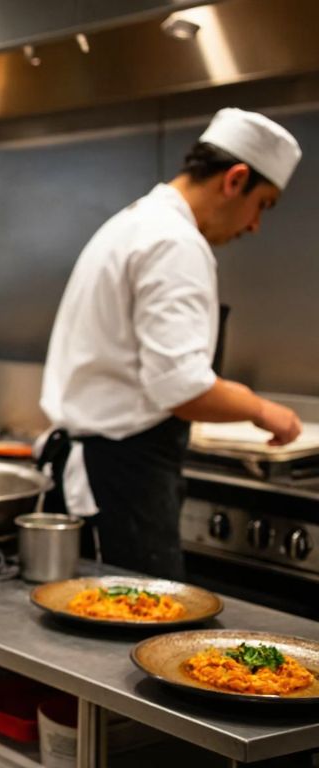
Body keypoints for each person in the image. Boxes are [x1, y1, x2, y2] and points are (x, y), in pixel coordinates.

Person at [40, 108, 303, 580]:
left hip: (101, 472)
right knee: (131, 641)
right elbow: (182, 389)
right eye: (262, 204)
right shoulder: (174, 243)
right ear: (235, 179)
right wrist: (263, 410)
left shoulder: (136, 222)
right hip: (121, 481)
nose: (255, 225)